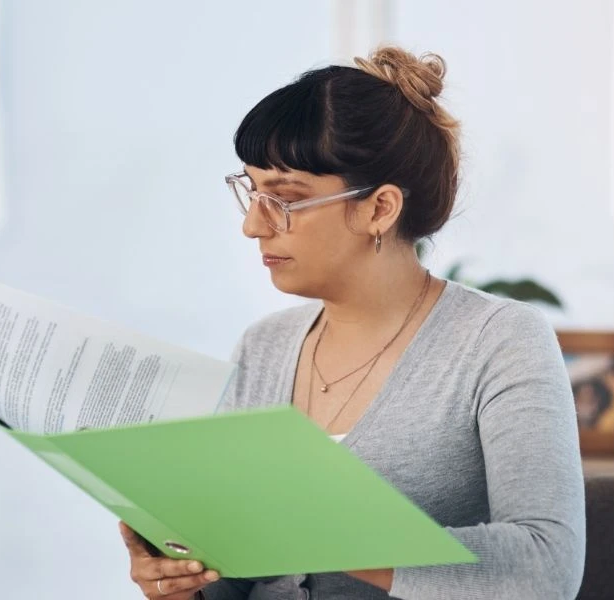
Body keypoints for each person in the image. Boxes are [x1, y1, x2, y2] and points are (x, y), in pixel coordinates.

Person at [120, 46, 585, 600]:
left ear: (379, 209)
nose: (252, 225)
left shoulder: (499, 341)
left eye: (284, 198)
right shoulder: (263, 347)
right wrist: (183, 586)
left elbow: (545, 564)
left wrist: (333, 532)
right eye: (250, 191)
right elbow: (241, 579)